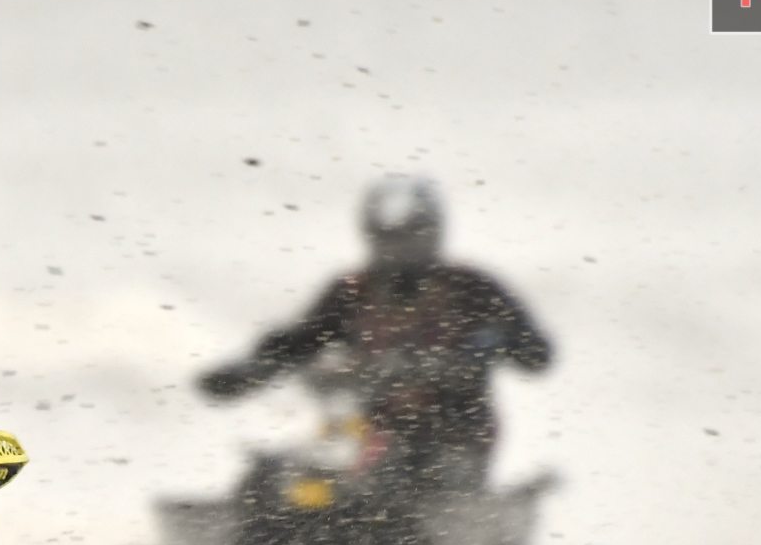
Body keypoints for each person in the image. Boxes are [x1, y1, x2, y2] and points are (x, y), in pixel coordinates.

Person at [197, 174, 553, 492]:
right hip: (362, 438)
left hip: (452, 440)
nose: (398, 249)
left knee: (400, 488)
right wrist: (249, 371)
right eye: (388, 239)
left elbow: (538, 355)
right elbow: (298, 342)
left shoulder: (470, 289)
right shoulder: (353, 292)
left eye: (409, 237)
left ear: (432, 233)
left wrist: (494, 342)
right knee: (268, 481)